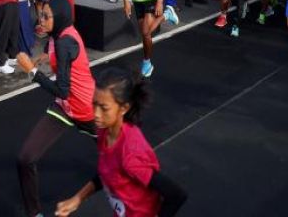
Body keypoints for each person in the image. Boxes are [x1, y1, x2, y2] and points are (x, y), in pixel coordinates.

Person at [55, 67, 188, 217]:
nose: (96, 114)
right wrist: (78, 198)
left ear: (124, 108)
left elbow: (176, 195)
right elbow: (108, 172)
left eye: (104, 108)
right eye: (94, 104)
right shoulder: (105, 132)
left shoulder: (131, 155)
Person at [15, 0, 96, 217]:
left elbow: (62, 90)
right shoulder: (56, 35)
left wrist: (31, 71)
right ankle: (34, 213)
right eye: (41, 14)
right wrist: (43, 57)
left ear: (59, 17)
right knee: (25, 158)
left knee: (117, 155)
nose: (41, 20)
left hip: (87, 109)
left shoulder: (64, 41)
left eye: (46, 16)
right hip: (64, 108)